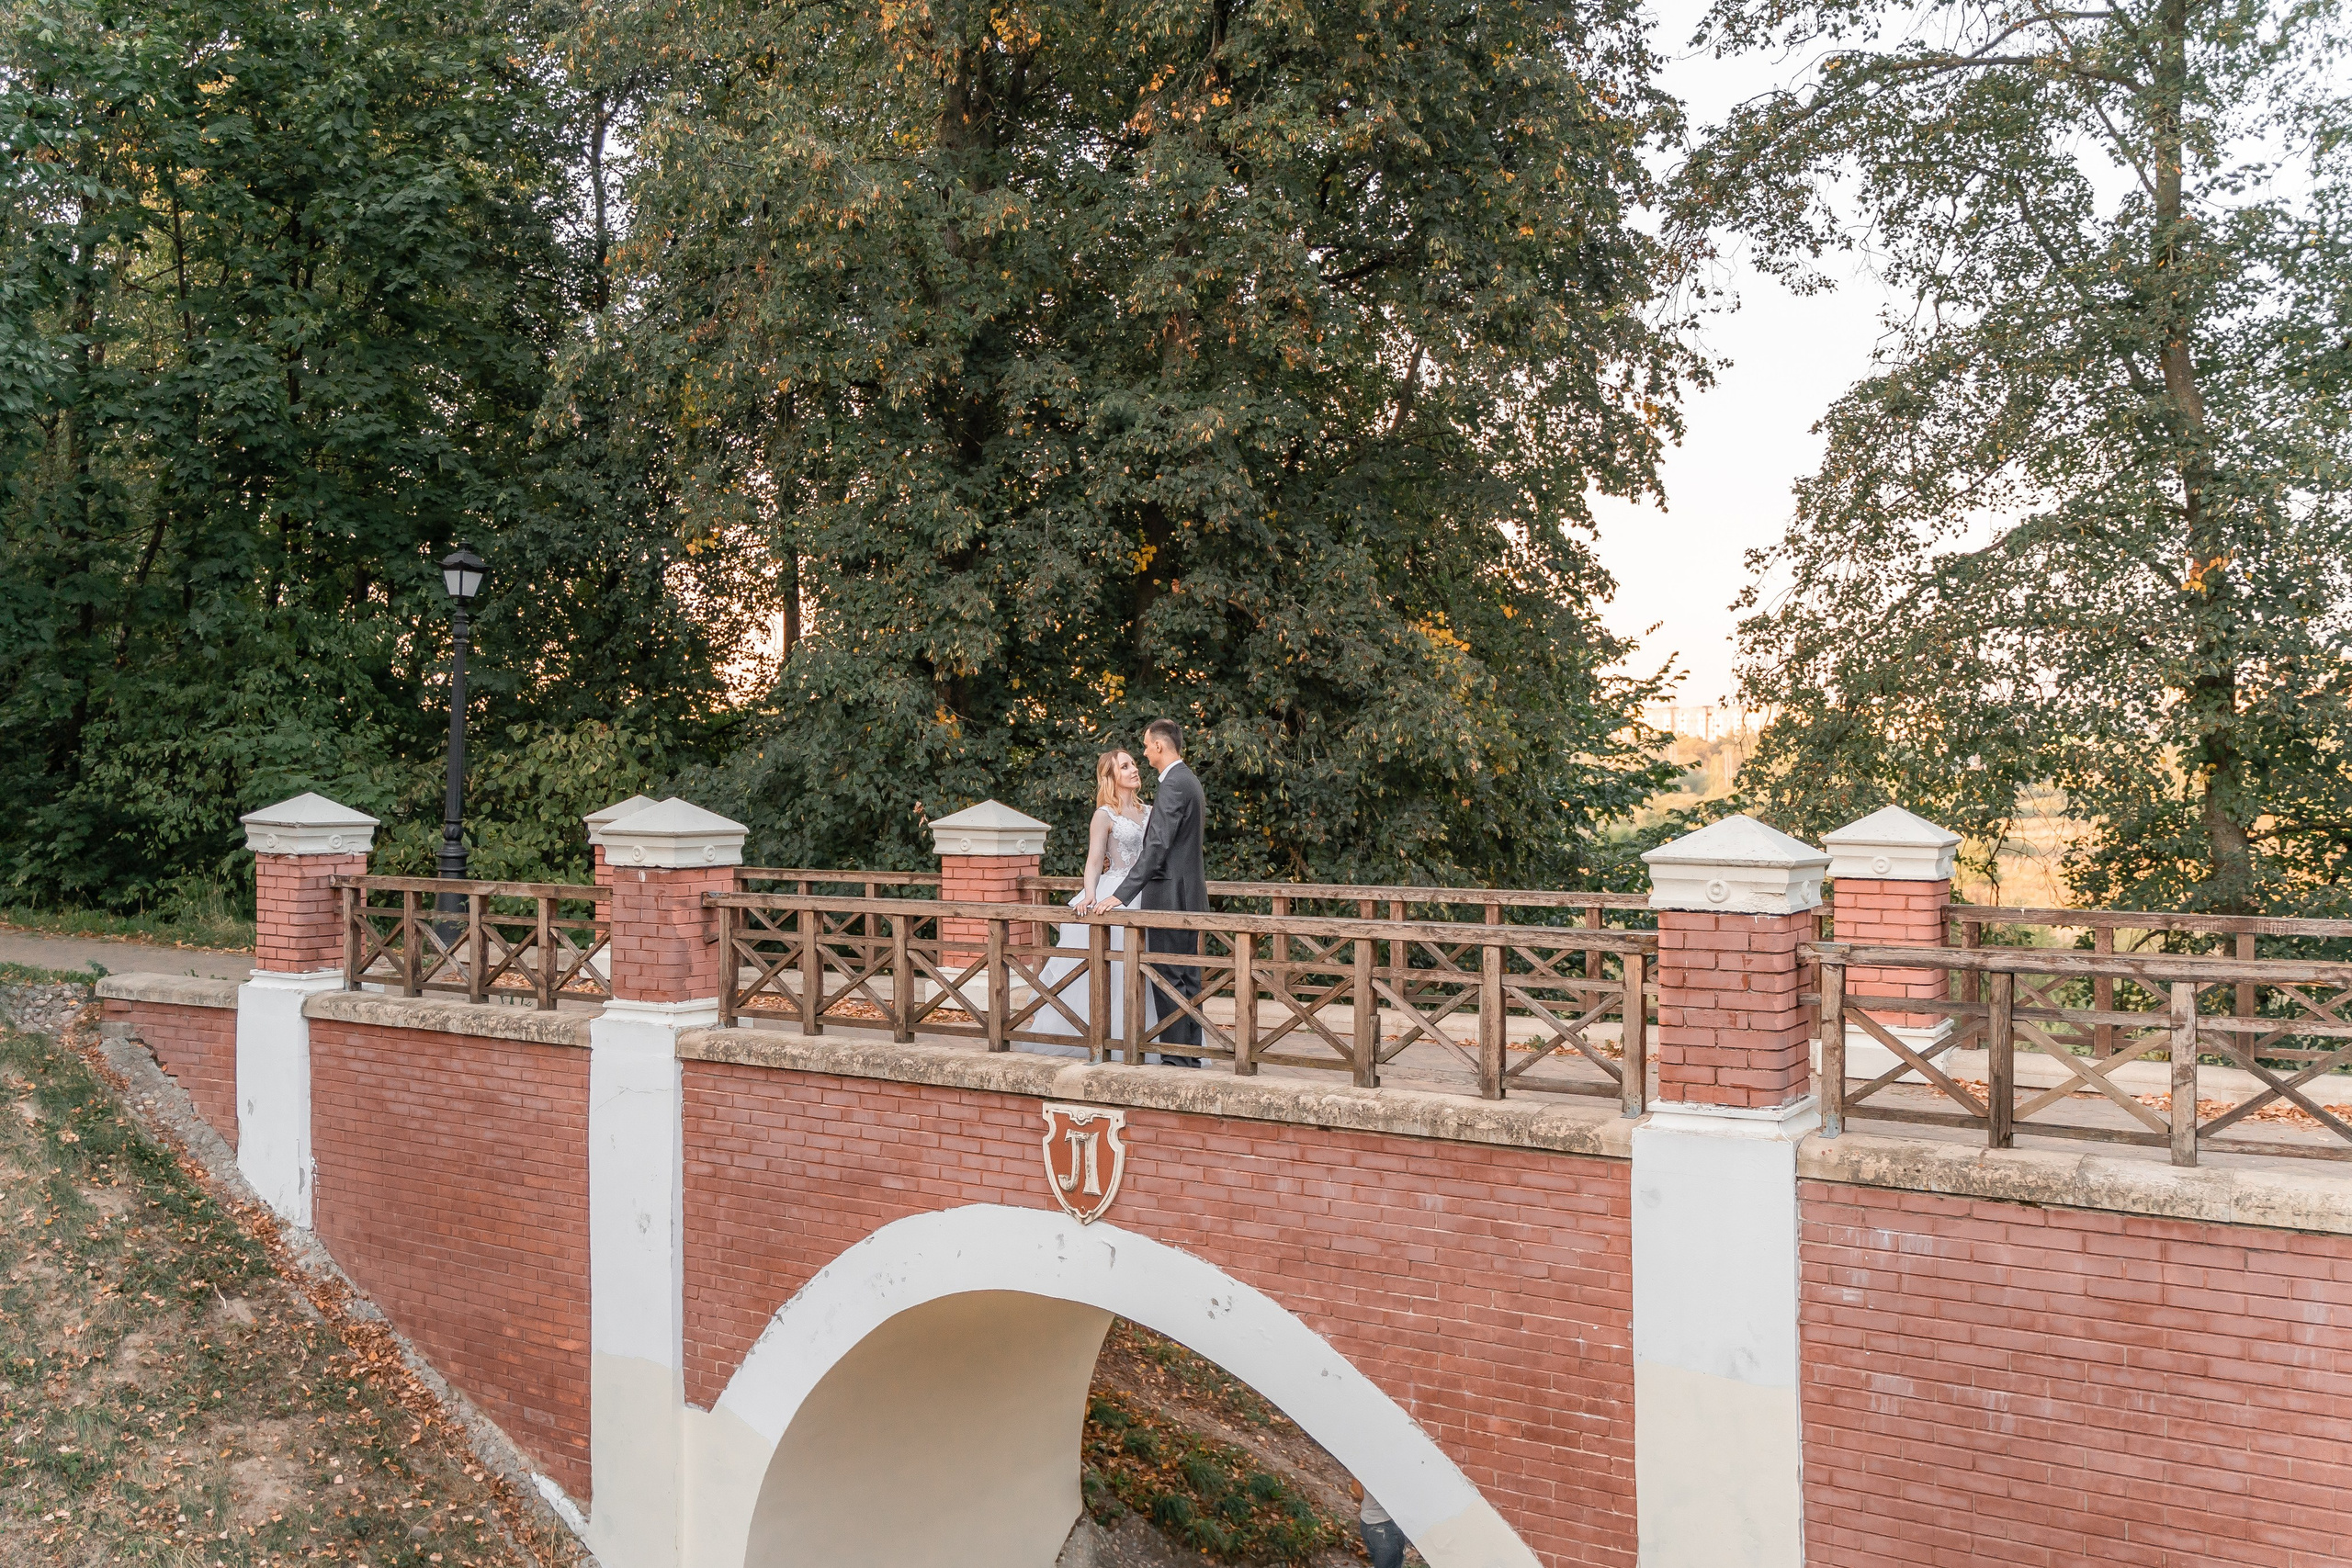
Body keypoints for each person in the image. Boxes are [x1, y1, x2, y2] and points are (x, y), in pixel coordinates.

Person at [1099, 718, 1206, 1066]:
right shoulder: (1188, 779)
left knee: (1169, 978)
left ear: (1159, 746)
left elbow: (1158, 846)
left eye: (1146, 747)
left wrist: (1122, 894)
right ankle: (1190, 1055)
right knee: (1187, 978)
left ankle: (1177, 1059)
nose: (1144, 754)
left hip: (1170, 898)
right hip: (1189, 896)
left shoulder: (1173, 784)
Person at [1025, 751, 1149, 1054]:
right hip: (1115, 892)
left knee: (1144, 967)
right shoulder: (1104, 815)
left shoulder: (1150, 811)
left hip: (1147, 893)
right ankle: (1103, 1038)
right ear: (1111, 776)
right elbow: (1094, 860)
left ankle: (1142, 1038)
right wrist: (1090, 893)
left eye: (1133, 764)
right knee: (1111, 966)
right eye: (1125, 766)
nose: (1134, 769)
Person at [1351, 1482, 1407, 1568]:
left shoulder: (1367, 1472)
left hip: (1367, 1523)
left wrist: (1370, 1503)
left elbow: (1355, 1487)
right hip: (1387, 1528)